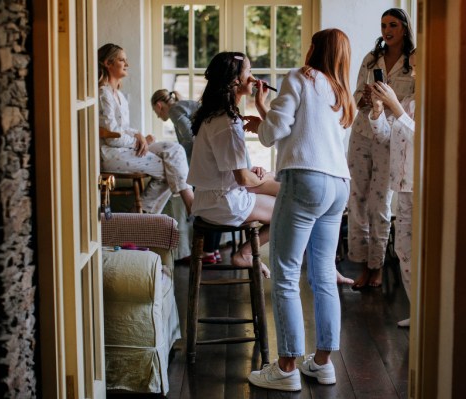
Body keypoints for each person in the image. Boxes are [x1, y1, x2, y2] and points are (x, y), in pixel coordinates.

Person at [244, 28, 356, 391]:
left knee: (286, 273)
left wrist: (260, 109)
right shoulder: (341, 92)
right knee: (323, 274)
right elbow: (303, 130)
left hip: (306, 178)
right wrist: (268, 112)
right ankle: (322, 364)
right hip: (339, 185)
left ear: (315, 49)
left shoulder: (299, 77)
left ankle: (287, 366)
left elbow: (272, 133)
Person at [187, 51, 279, 277]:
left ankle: (246, 252)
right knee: (290, 210)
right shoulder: (228, 121)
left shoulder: (215, 114)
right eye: (249, 70)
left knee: (283, 186)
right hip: (223, 202)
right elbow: (243, 179)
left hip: (211, 197)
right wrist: (263, 177)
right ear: (235, 79)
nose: (253, 77)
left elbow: (234, 171)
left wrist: (260, 103)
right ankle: (244, 254)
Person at [347, 8, 416, 289]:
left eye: (393, 25)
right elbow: (354, 96)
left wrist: (387, 101)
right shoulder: (371, 58)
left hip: (392, 140)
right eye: (383, 25)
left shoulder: (414, 63)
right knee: (357, 199)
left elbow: (408, 109)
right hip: (363, 132)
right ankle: (362, 264)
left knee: (380, 205)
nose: (387, 30)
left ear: (404, 28)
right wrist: (363, 97)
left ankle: (376, 268)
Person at [98, 43, 194, 215]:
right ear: (107, 63)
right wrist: (137, 140)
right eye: (121, 60)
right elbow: (112, 137)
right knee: (169, 168)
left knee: (174, 149)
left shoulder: (119, 95)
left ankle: (143, 213)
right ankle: (188, 208)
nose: (127, 64)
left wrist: (139, 135)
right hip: (112, 153)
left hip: (126, 147)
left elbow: (124, 128)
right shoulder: (103, 94)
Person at [368, 51, 416, 327]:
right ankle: (418, 310)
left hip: (422, 186)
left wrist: (395, 108)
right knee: (403, 250)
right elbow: (386, 137)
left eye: (418, 68)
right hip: (402, 185)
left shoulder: (427, 104)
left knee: (420, 250)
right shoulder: (408, 103)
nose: (413, 73)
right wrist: (377, 112)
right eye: (412, 68)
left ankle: (427, 311)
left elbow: (422, 140)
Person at [151, 88, 222, 264]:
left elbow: (191, 139)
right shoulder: (183, 106)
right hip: (213, 154)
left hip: (205, 158)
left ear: (159, 105)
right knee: (213, 200)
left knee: (205, 202)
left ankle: (206, 253)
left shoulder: (175, 110)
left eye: (156, 112)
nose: (158, 116)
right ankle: (213, 250)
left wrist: (178, 156)